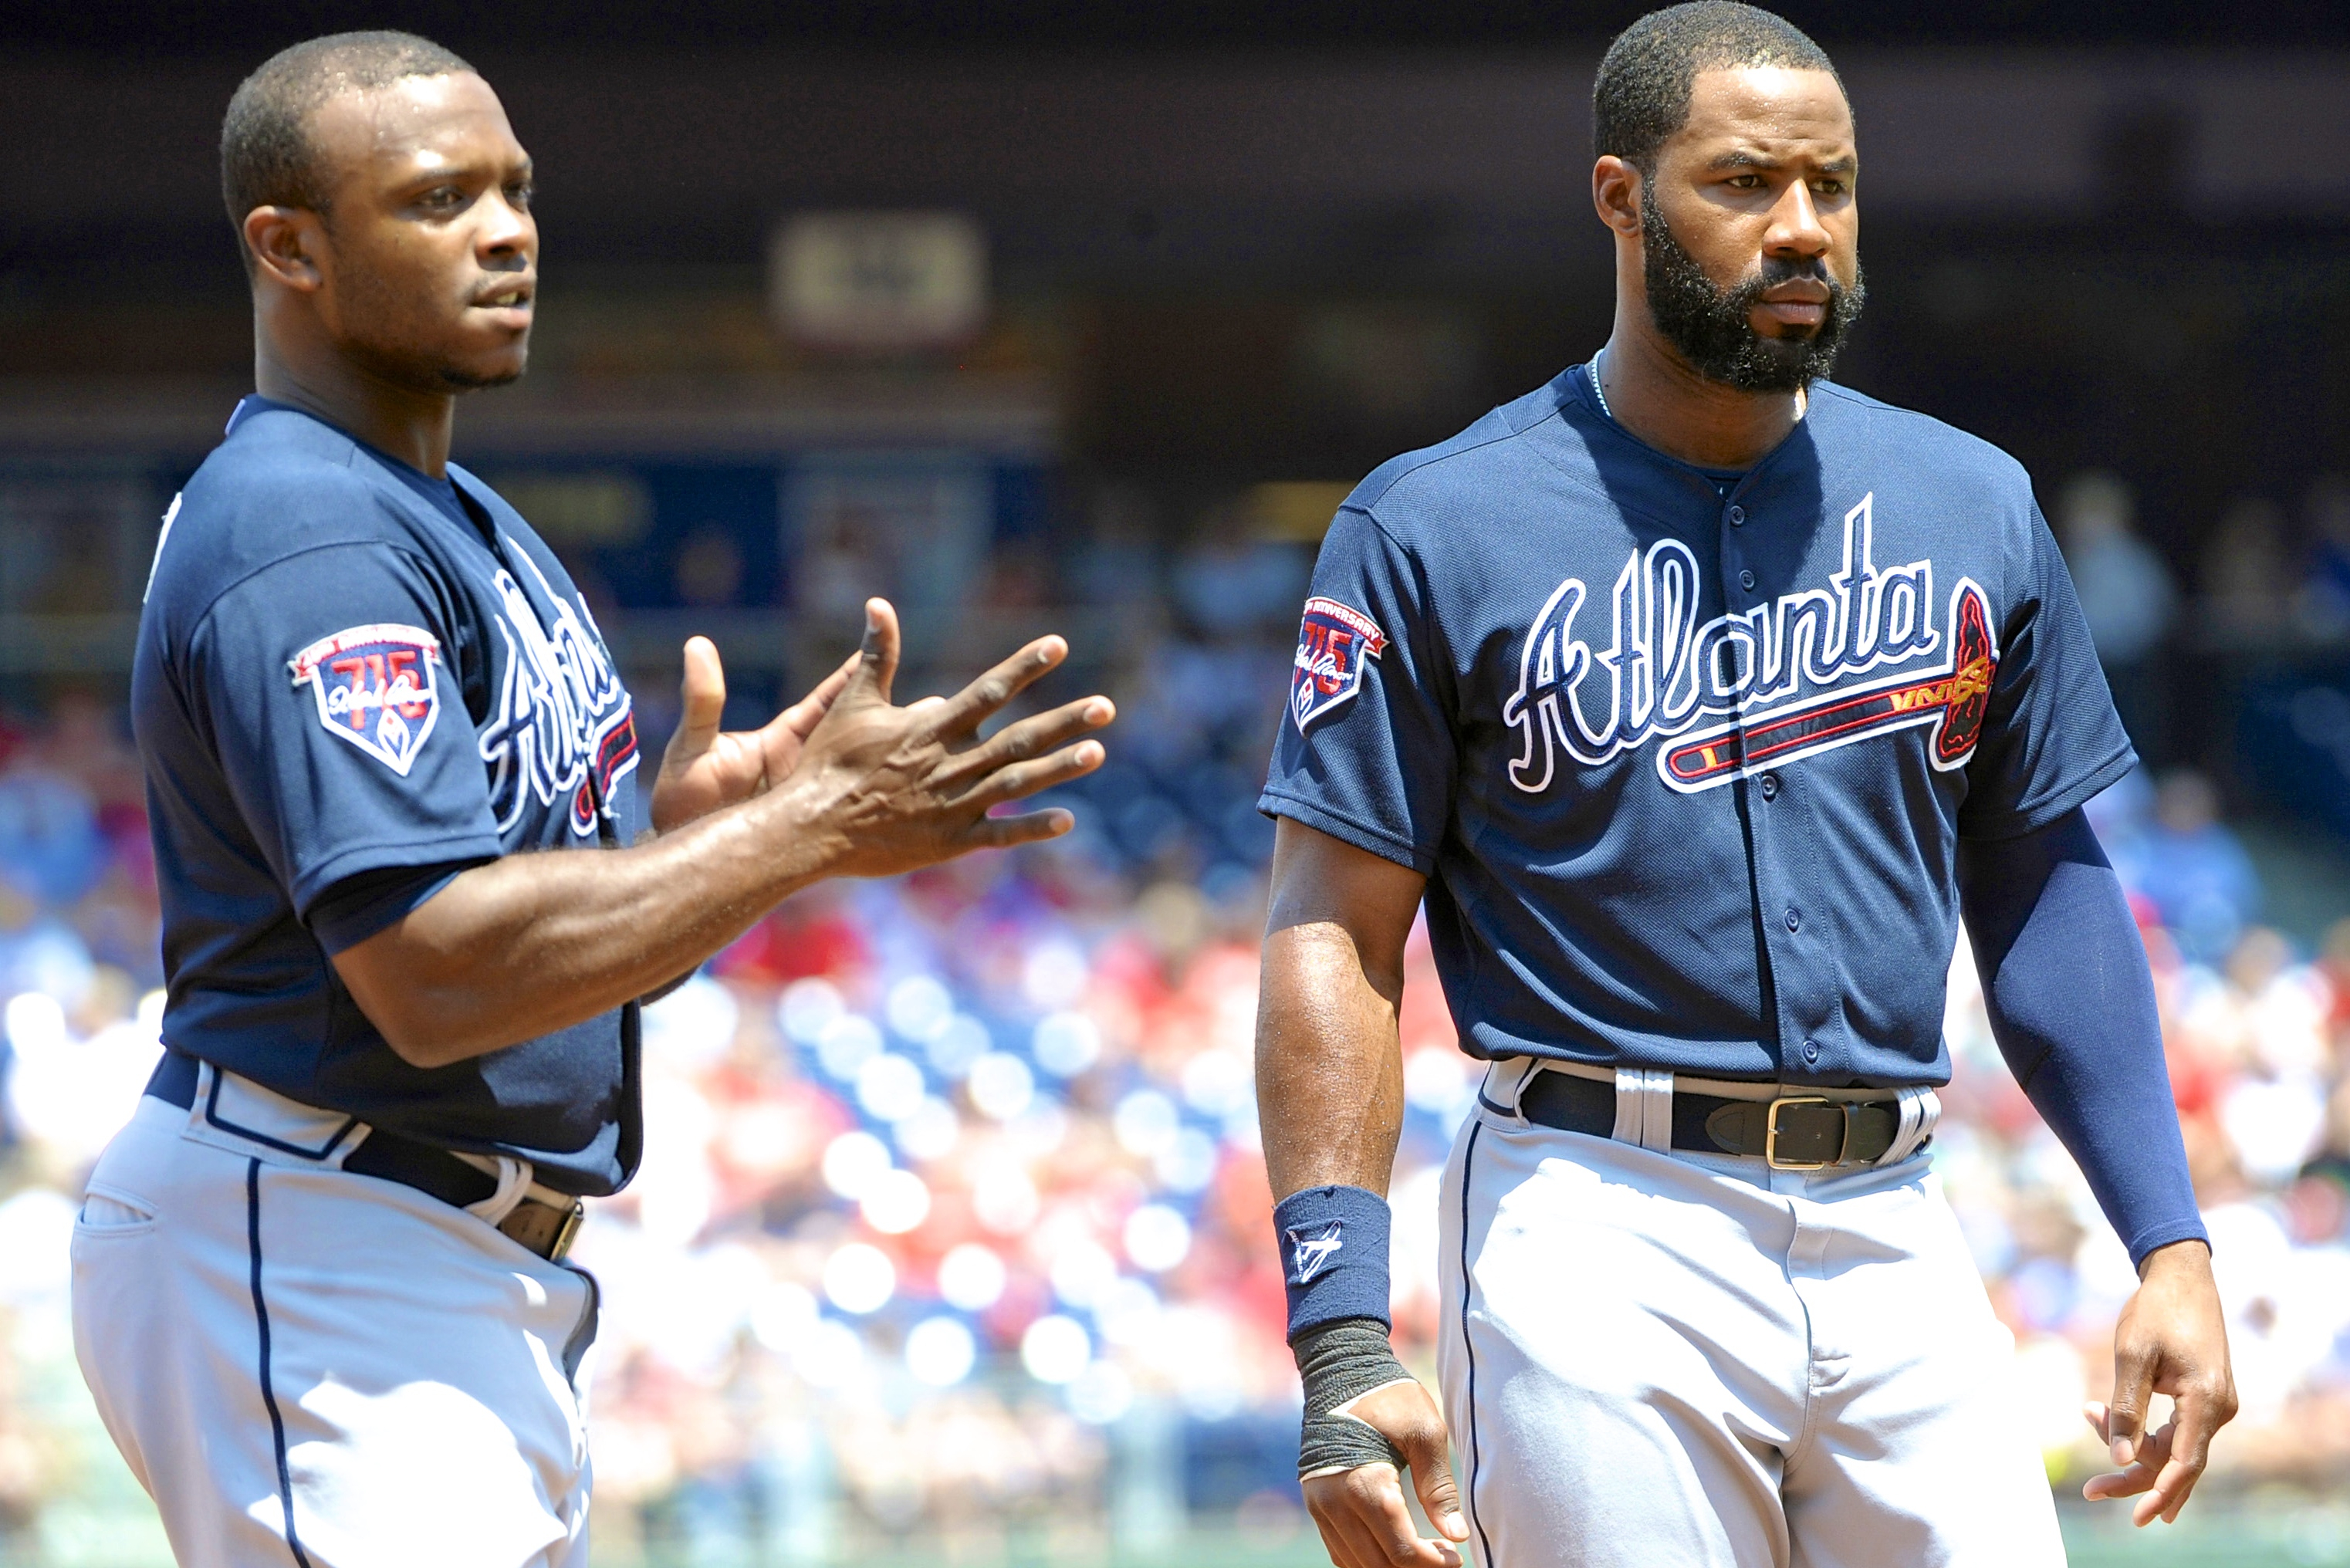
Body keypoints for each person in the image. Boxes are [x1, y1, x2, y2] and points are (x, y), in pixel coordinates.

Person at [70, 32, 1113, 1568]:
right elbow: (432, 969)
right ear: (288, 246)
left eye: (515, 190)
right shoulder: (310, 528)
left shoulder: (448, 513)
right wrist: (796, 833)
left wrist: (698, 841)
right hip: (324, 1229)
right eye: (437, 200)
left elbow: (532, 954)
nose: (505, 232)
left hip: (417, 1249)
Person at [1252, 7, 2236, 1566]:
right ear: (1618, 198)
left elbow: (2041, 881)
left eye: (1829, 187)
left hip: (1897, 1215)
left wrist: (2166, 1241)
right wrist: (1340, 1332)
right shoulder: (1431, 524)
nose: (1798, 228)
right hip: (1591, 1209)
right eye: (1742, 181)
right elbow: (1335, 926)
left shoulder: (1965, 500)